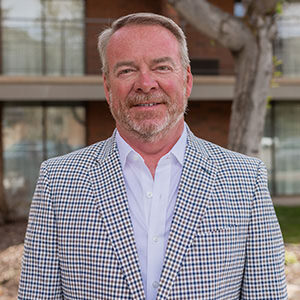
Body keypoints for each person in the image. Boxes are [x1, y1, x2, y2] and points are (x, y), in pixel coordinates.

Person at [18, 12, 287, 300]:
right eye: (126, 70)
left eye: (161, 67)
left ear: (186, 81)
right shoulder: (57, 181)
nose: (145, 84)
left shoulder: (246, 179)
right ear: (108, 88)